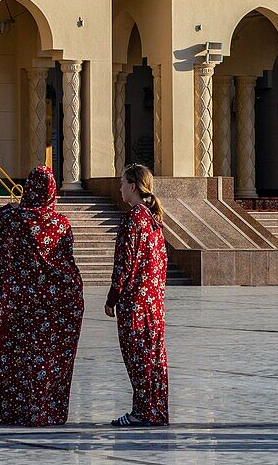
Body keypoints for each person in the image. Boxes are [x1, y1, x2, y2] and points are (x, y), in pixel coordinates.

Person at [0, 165, 84, 427]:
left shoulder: (12, 219)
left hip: (13, 305)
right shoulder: (61, 224)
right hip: (51, 307)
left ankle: (1, 410)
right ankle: (43, 412)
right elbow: (66, 263)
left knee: (7, 356)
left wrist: (9, 208)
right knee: (43, 359)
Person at [104, 163, 169, 427]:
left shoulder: (133, 219)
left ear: (132, 186)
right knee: (154, 360)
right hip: (153, 304)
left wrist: (112, 298)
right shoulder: (154, 221)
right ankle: (157, 411)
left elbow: (124, 262)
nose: (120, 188)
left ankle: (142, 412)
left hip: (135, 304)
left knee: (138, 359)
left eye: (122, 183)